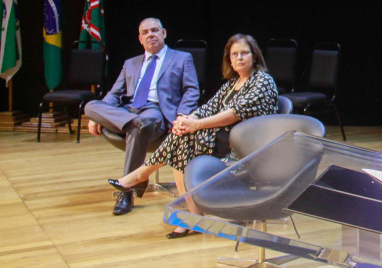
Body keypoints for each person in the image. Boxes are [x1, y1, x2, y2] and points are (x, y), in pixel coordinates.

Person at [108, 33, 278, 238]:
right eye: (235, 54)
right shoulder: (231, 85)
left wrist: (195, 124)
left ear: (255, 56)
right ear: (229, 60)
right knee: (181, 140)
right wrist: (187, 120)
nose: (239, 58)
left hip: (248, 148)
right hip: (225, 140)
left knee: (183, 140)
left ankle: (145, 177)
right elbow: (208, 108)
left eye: (244, 53)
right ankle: (191, 215)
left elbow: (233, 114)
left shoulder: (262, 81)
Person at [85, 17, 200, 216]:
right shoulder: (130, 63)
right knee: (91, 106)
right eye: (145, 33)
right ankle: (133, 125)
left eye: (155, 30)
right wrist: (97, 115)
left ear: (163, 33)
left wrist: (182, 114)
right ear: (140, 39)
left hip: (156, 112)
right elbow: (114, 94)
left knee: (142, 125)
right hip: (128, 112)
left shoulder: (182, 58)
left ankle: (126, 193)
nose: (151, 35)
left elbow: (191, 90)